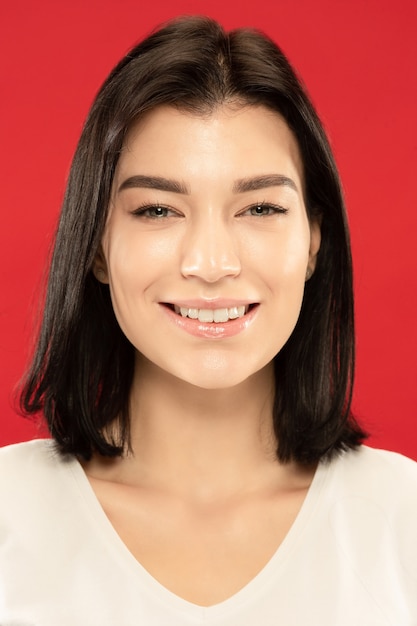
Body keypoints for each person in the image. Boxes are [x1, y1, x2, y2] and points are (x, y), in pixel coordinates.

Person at [1, 15, 416, 625]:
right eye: (159, 209)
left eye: (261, 207)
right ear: (96, 248)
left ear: (313, 243)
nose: (211, 263)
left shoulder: (400, 521)